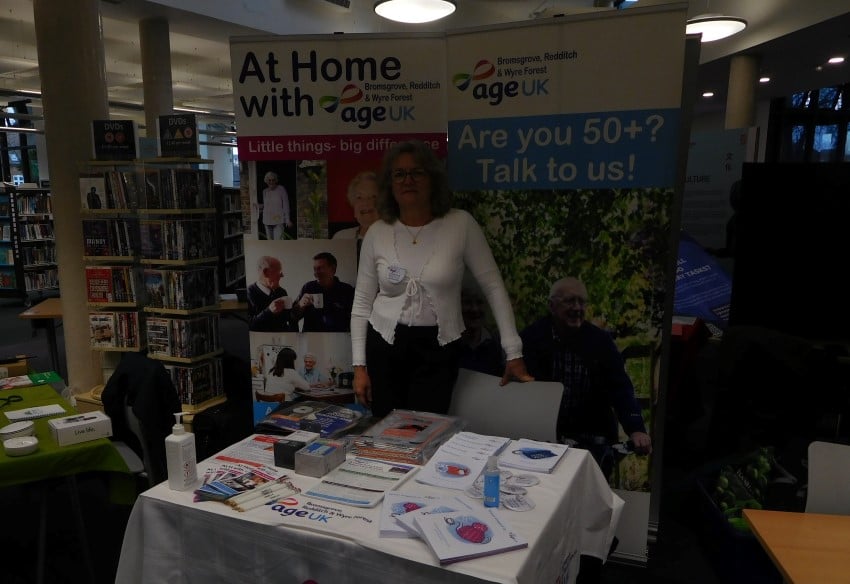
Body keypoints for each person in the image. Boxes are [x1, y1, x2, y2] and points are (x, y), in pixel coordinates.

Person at [350, 139, 533, 418]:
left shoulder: (461, 224)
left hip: (438, 350)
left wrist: (513, 351)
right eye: (399, 174)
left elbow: (493, 287)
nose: (407, 180)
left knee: (427, 434)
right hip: (384, 347)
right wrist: (359, 367)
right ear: (390, 183)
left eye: (417, 172)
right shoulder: (377, 232)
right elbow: (362, 303)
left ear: (433, 179)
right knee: (385, 437)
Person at [520, 276, 652, 481]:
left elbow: (620, 387)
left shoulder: (600, 342)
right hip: (545, 435)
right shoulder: (530, 339)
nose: (577, 308)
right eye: (570, 301)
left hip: (593, 437)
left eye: (582, 302)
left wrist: (636, 430)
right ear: (552, 306)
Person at [290, 252, 355, 332]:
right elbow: (292, 317)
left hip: (338, 339)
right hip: (312, 339)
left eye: (320, 268)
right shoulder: (308, 287)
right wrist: (300, 305)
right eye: (315, 269)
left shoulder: (346, 290)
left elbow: (356, 320)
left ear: (333, 269)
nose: (316, 273)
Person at [458, 286, 504, 376]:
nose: (475, 309)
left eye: (479, 302)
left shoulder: (498, 344)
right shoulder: (446, 345)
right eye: (467, 302)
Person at [246, 255, 295, 332]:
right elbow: (250, 326)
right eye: (279, 271)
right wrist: (269, 311)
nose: (282, 275)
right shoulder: (249, 293)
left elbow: (289, 319)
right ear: (266, 273)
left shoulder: (281, 291)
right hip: (262, 339)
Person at [332, 171, 379, 241]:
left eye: (373, 196)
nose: (365, 203)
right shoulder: (341, 238)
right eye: (359, 197)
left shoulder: (396, 238)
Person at [259, 171, 291, 240]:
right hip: (267, 221)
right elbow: (267, 205)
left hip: (278, 220)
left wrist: (287, 220)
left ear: (276, 180)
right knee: (270, 244)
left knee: (279, 242)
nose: (271, 182)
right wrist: (258, 206)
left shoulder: (281, 189)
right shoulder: (264, 191)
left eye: (273, 180)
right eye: (269, 180)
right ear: (266, 181)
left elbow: (286, 204)